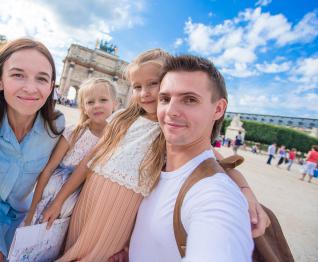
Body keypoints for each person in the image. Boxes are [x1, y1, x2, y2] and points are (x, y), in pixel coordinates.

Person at [43, 50, 266, 261]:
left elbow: (214, 160)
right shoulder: (121, 118)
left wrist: (246, 191)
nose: (145, 93)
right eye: (137, 86)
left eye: (153, 84)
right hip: (89, 199)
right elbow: (88, 162)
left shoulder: (168, 130)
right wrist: (59, 201)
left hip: (119, 216)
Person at [129, 55, 253, 261]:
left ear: (219, 109)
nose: (171, 111)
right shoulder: (153, 166)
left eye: (190, 99)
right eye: (165, 99)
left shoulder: (216, 196)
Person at [0, 38, 64, 261]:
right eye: (18, 75)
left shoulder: (56, 126)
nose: (30, 88)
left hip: (22, 218)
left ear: (51, 87)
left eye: (41, 78)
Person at [23, 78, 117, 226]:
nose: (97, 105)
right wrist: (31, 210)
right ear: (84, 107)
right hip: (48, 197)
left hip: (78, 207)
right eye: (90, 102)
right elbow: (48, 170)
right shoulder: (73, 133)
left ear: (115, 104)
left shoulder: (116, 141)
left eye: (103, 100)